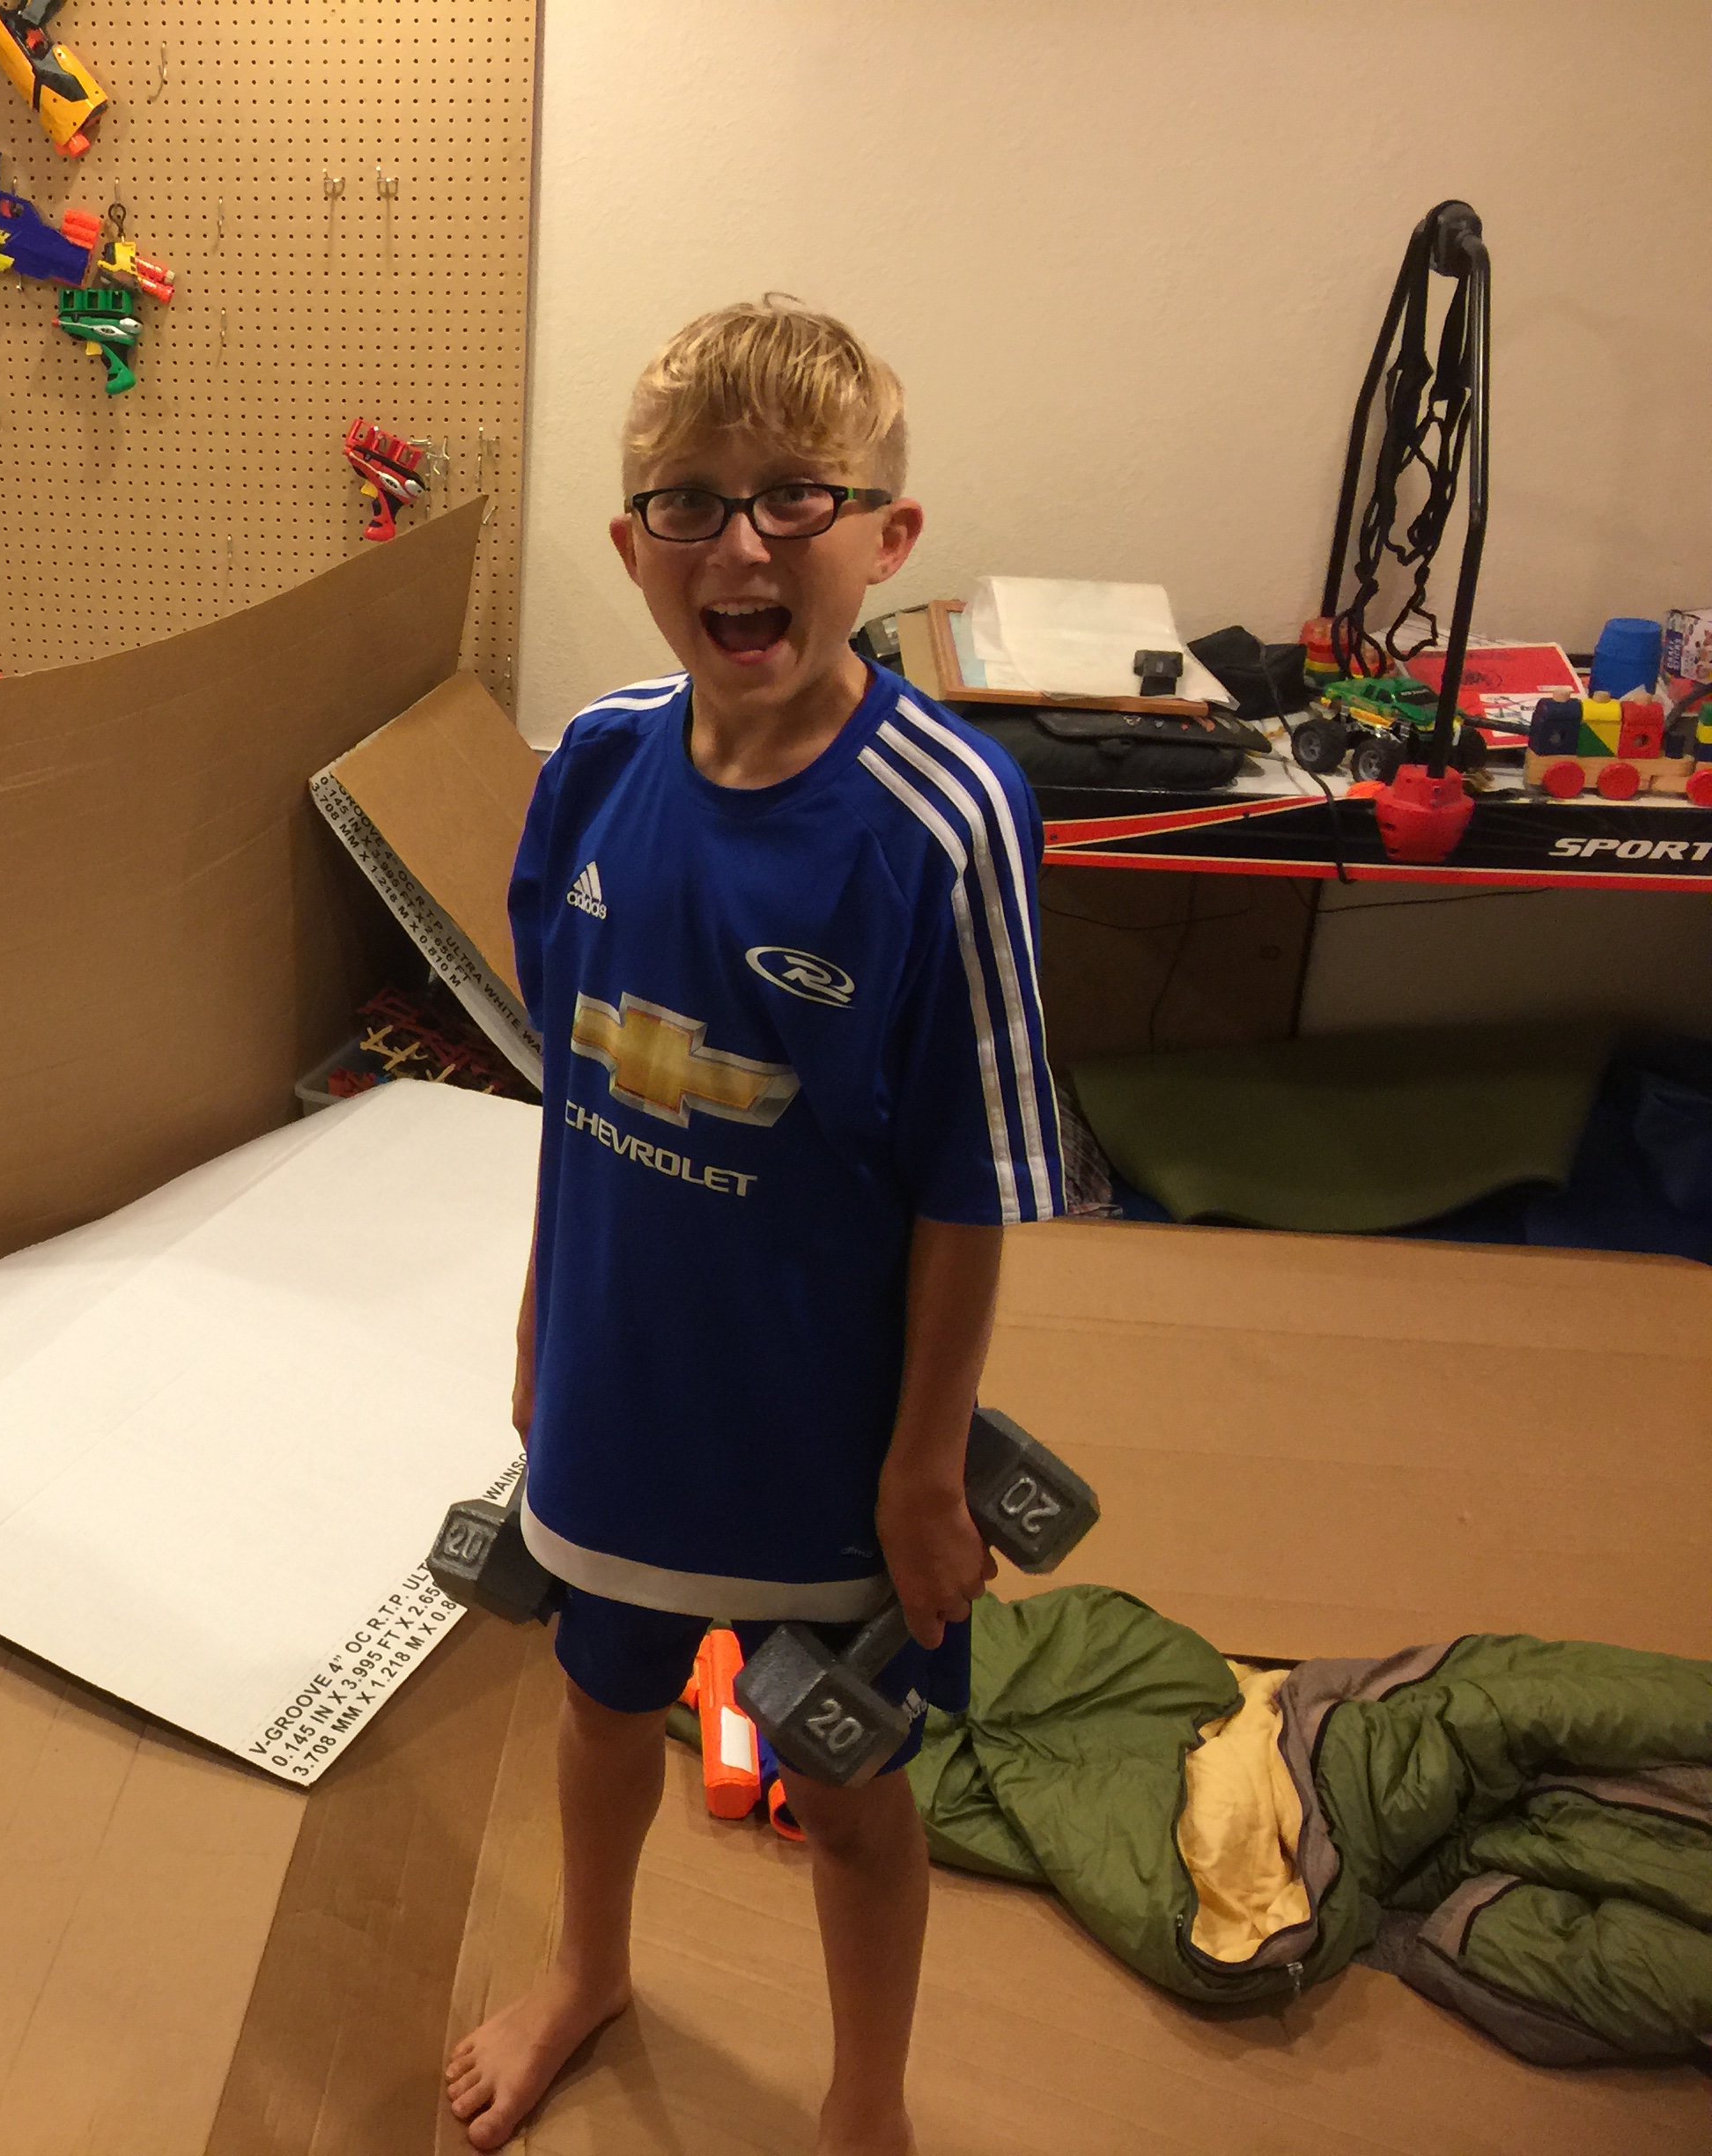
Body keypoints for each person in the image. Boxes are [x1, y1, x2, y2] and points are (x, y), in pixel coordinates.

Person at [443, 298, 1061, 2155]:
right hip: (622, 1394)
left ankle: (866, 2100)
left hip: (826, 1438)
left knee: (849, 1781)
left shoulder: (945, 818)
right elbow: (575, 1089)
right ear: (632, 546)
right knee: (596, 1705)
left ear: (889, 536)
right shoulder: (593, 765)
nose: (743, 545)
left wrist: (928, 1466)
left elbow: (969, 1178)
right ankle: (590, 1968)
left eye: (798, 497)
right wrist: (544, 1325)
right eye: (692, 504)